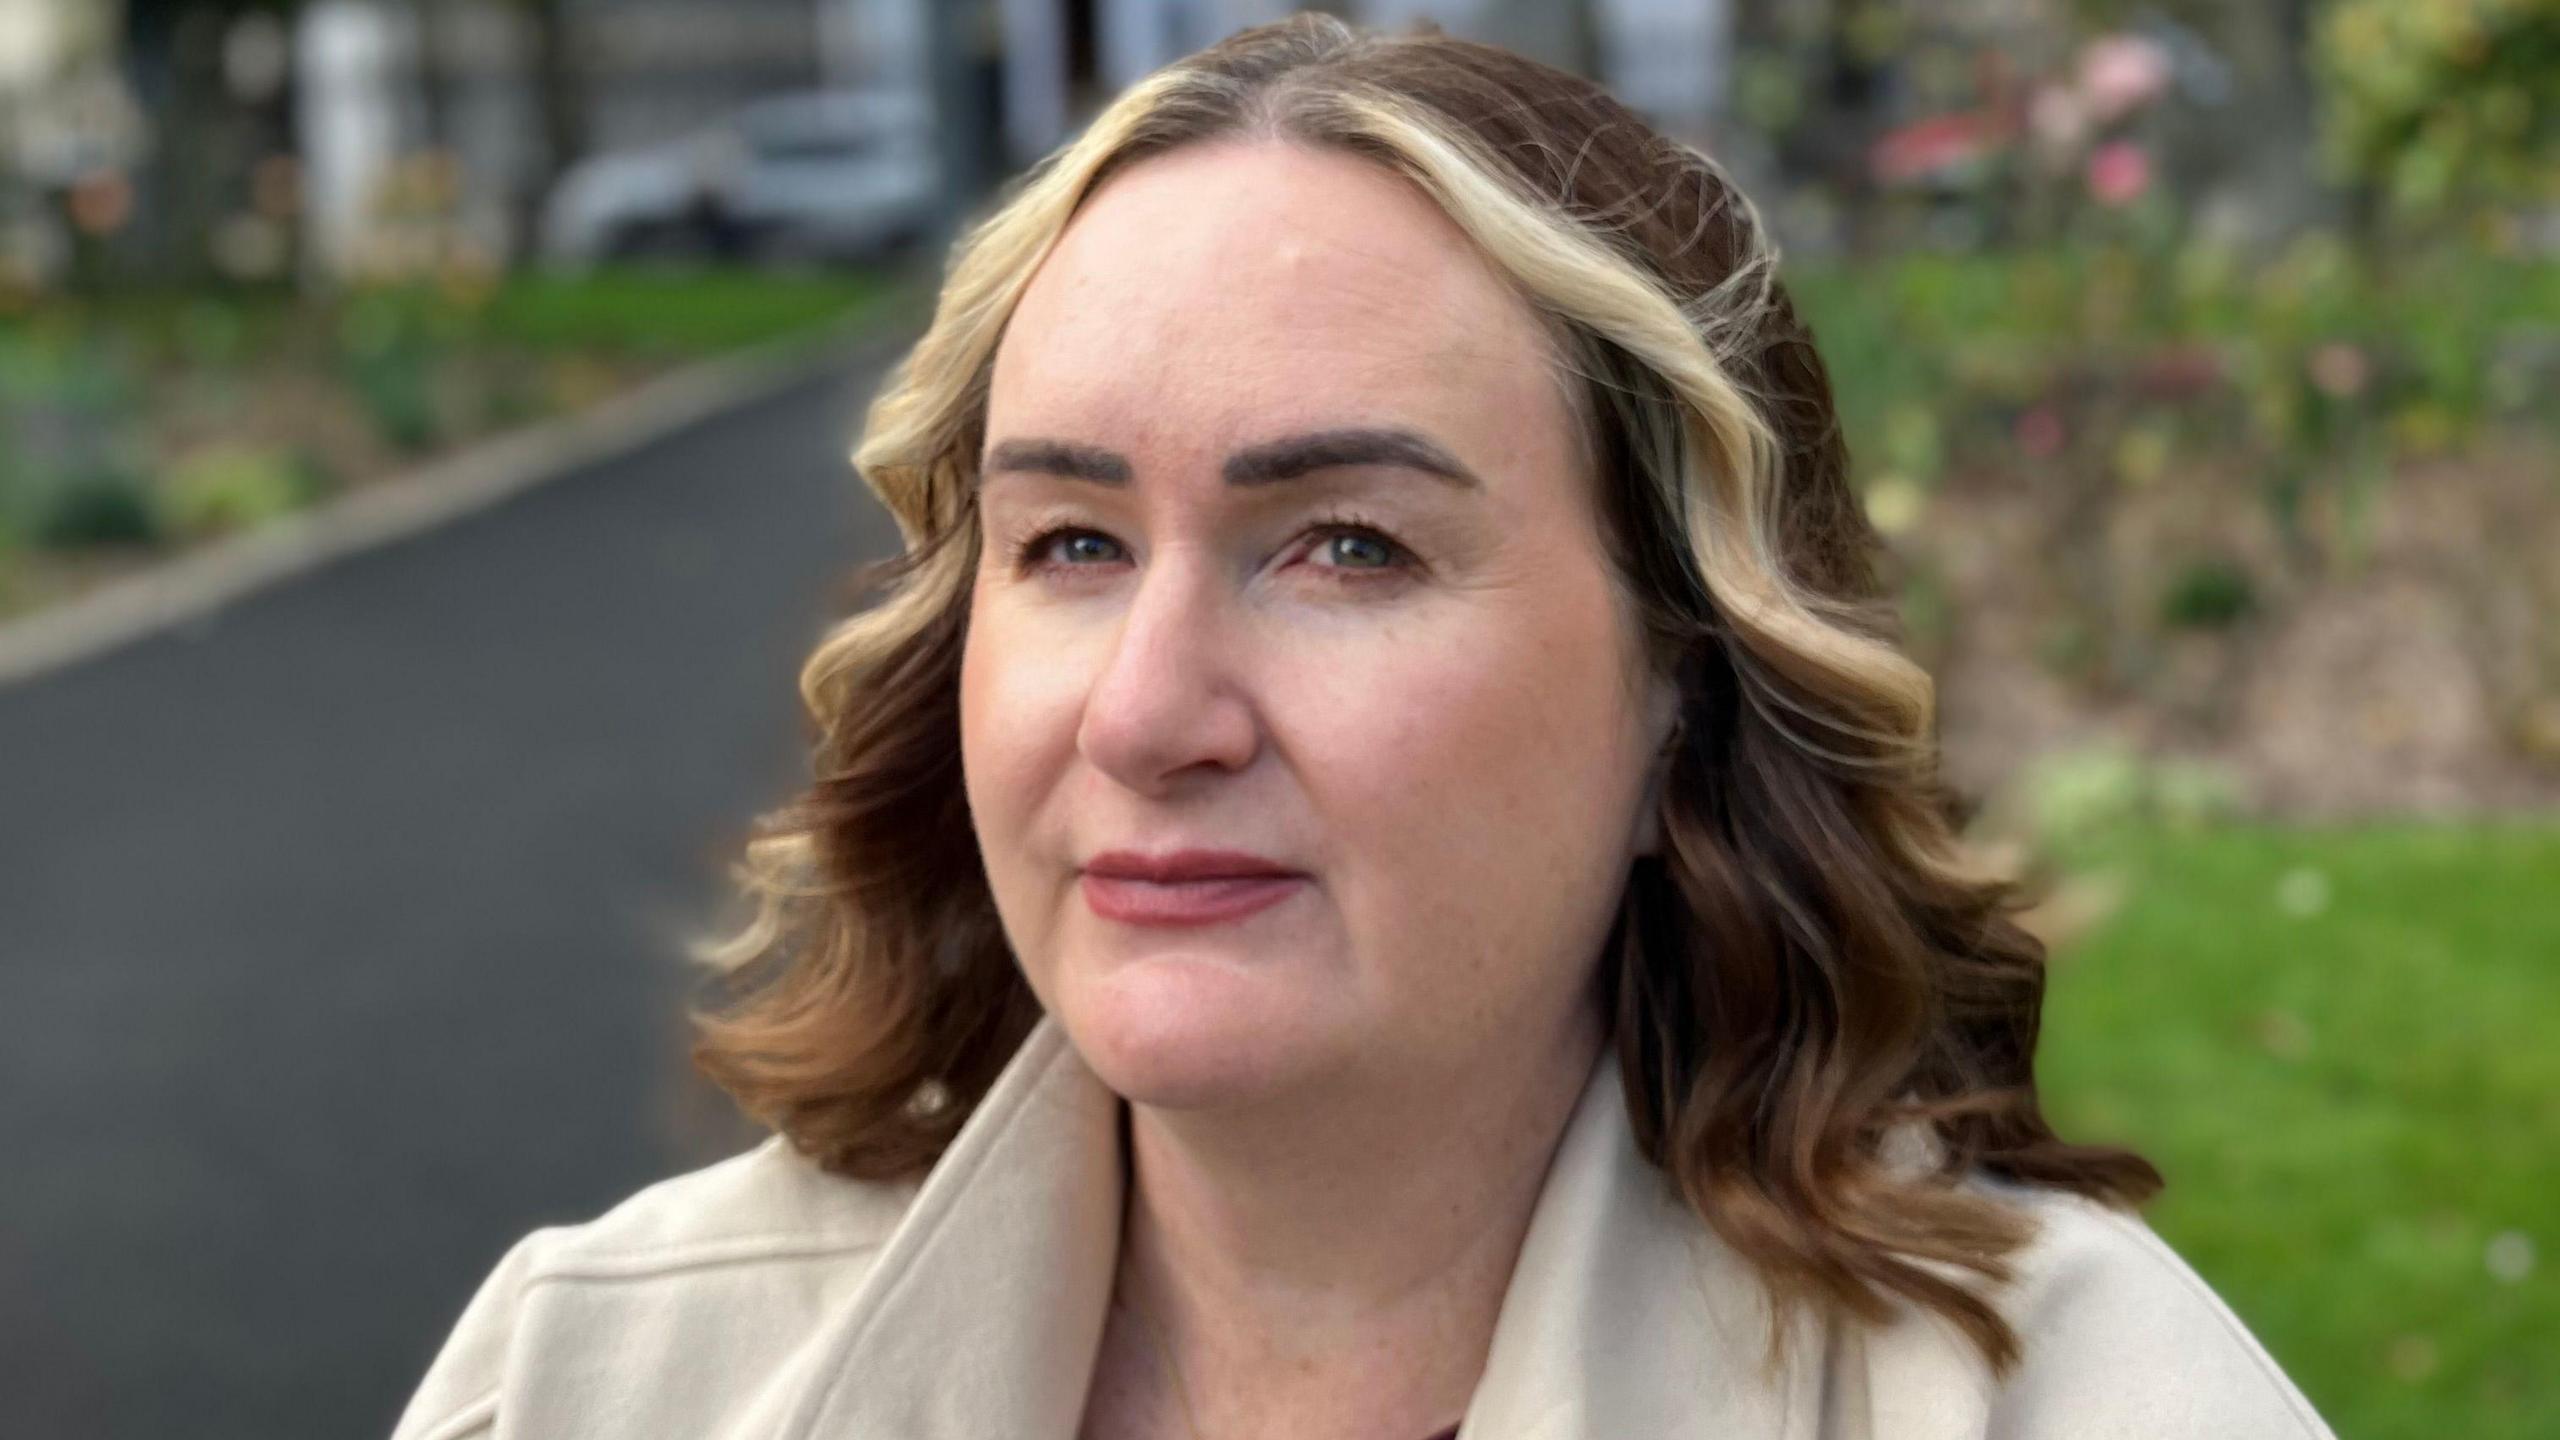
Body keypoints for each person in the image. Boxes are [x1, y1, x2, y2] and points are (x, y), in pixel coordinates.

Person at [389, 14, 2340, 1440]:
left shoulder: (2078, 1406)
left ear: (1688, 687)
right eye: (1067, 541)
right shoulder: (595, 1379)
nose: (1146, 715)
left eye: (1343, 547)